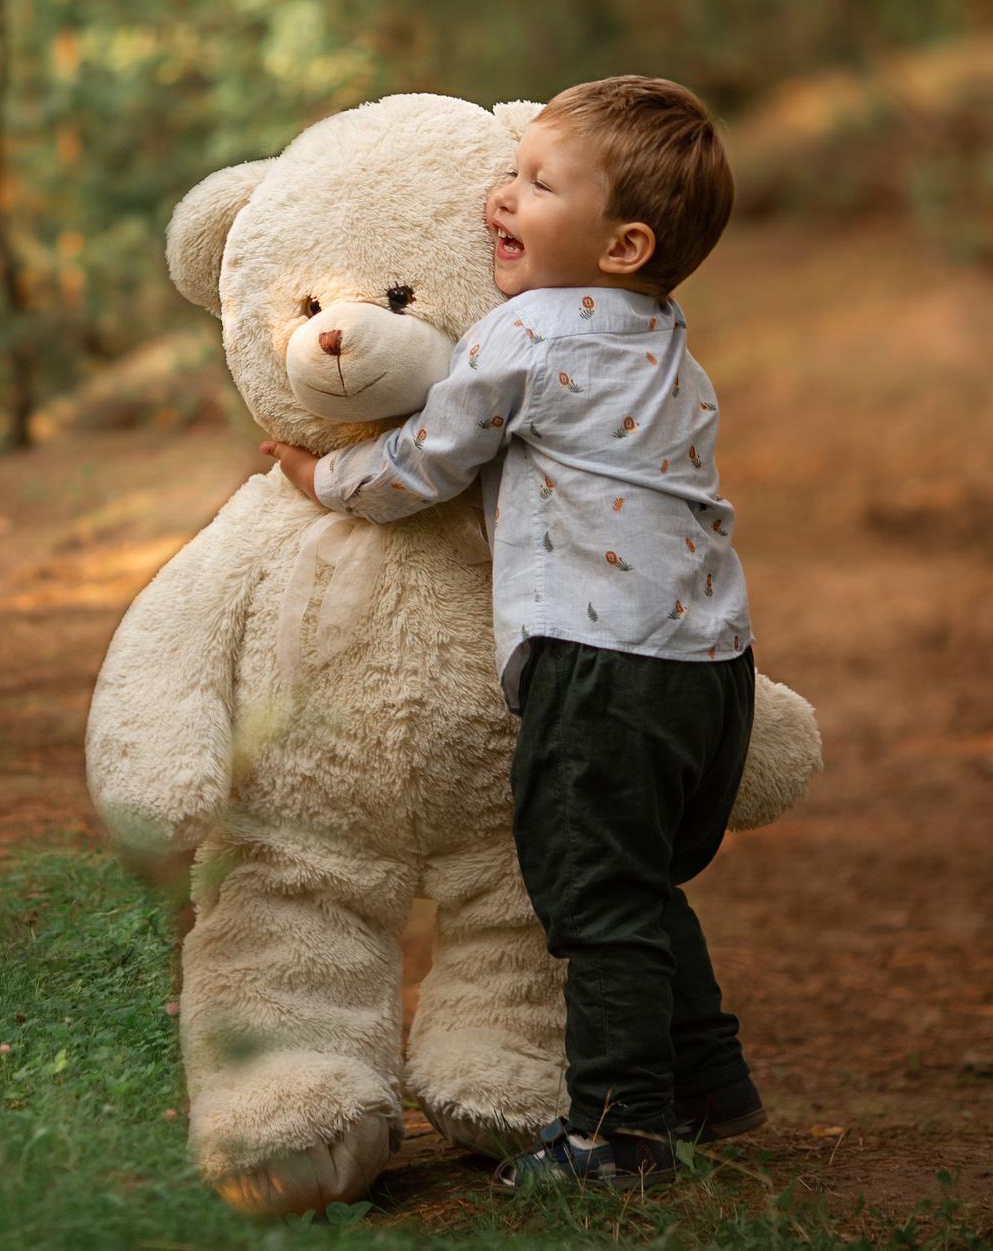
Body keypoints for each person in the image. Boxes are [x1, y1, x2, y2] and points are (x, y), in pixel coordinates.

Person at [259, 75, 763, 1192]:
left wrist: (319, 473)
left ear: (623, 243)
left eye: (536, 184)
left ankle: (617, 1136)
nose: (499, 196)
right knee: (640, 881)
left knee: (590, 897)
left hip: (603, 668)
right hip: (710, 667)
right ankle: (705, 1083)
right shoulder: (659, 330)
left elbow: (426, 461)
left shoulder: (526, 329)